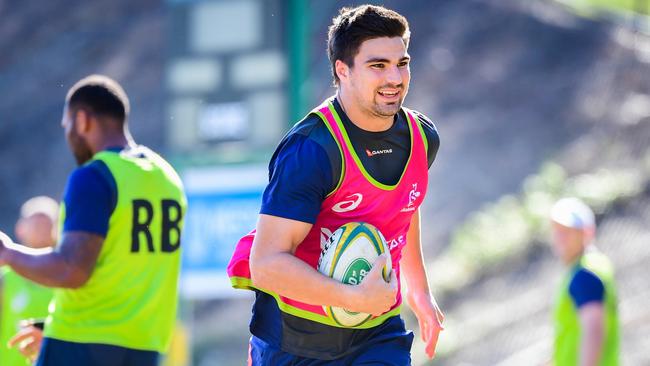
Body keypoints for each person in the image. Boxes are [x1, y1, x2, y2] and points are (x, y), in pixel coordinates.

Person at [227, 5, 443, 364]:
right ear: (343, 70)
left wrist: (418, 290)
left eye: (402, 63)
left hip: (377, 331)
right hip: (295, 338)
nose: (395, 77)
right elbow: (265, 263)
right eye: (378, 65)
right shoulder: (312, 150)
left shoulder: (422, 137)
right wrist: (354, 297)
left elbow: (405, 205)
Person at [0, 75, 187, 366]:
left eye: (67, 126)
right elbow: (124, 271)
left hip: (80, 343)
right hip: (144, 346)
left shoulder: (94, 175)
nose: (69, 136)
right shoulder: (167, 178)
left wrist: (9, 253)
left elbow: (72, 269)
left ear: (83, 120)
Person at [550, 197, 620, 366]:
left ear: (586, 233)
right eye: (557, 231)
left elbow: (593, 328)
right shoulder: (594, 266)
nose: (560, 238)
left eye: (567, 232)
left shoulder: (584, 274)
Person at [0, 196, 58, 365]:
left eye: (47, 223)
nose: (42, 229)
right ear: (20, 229)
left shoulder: (71, 276)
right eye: (36, 223)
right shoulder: (5, 277)